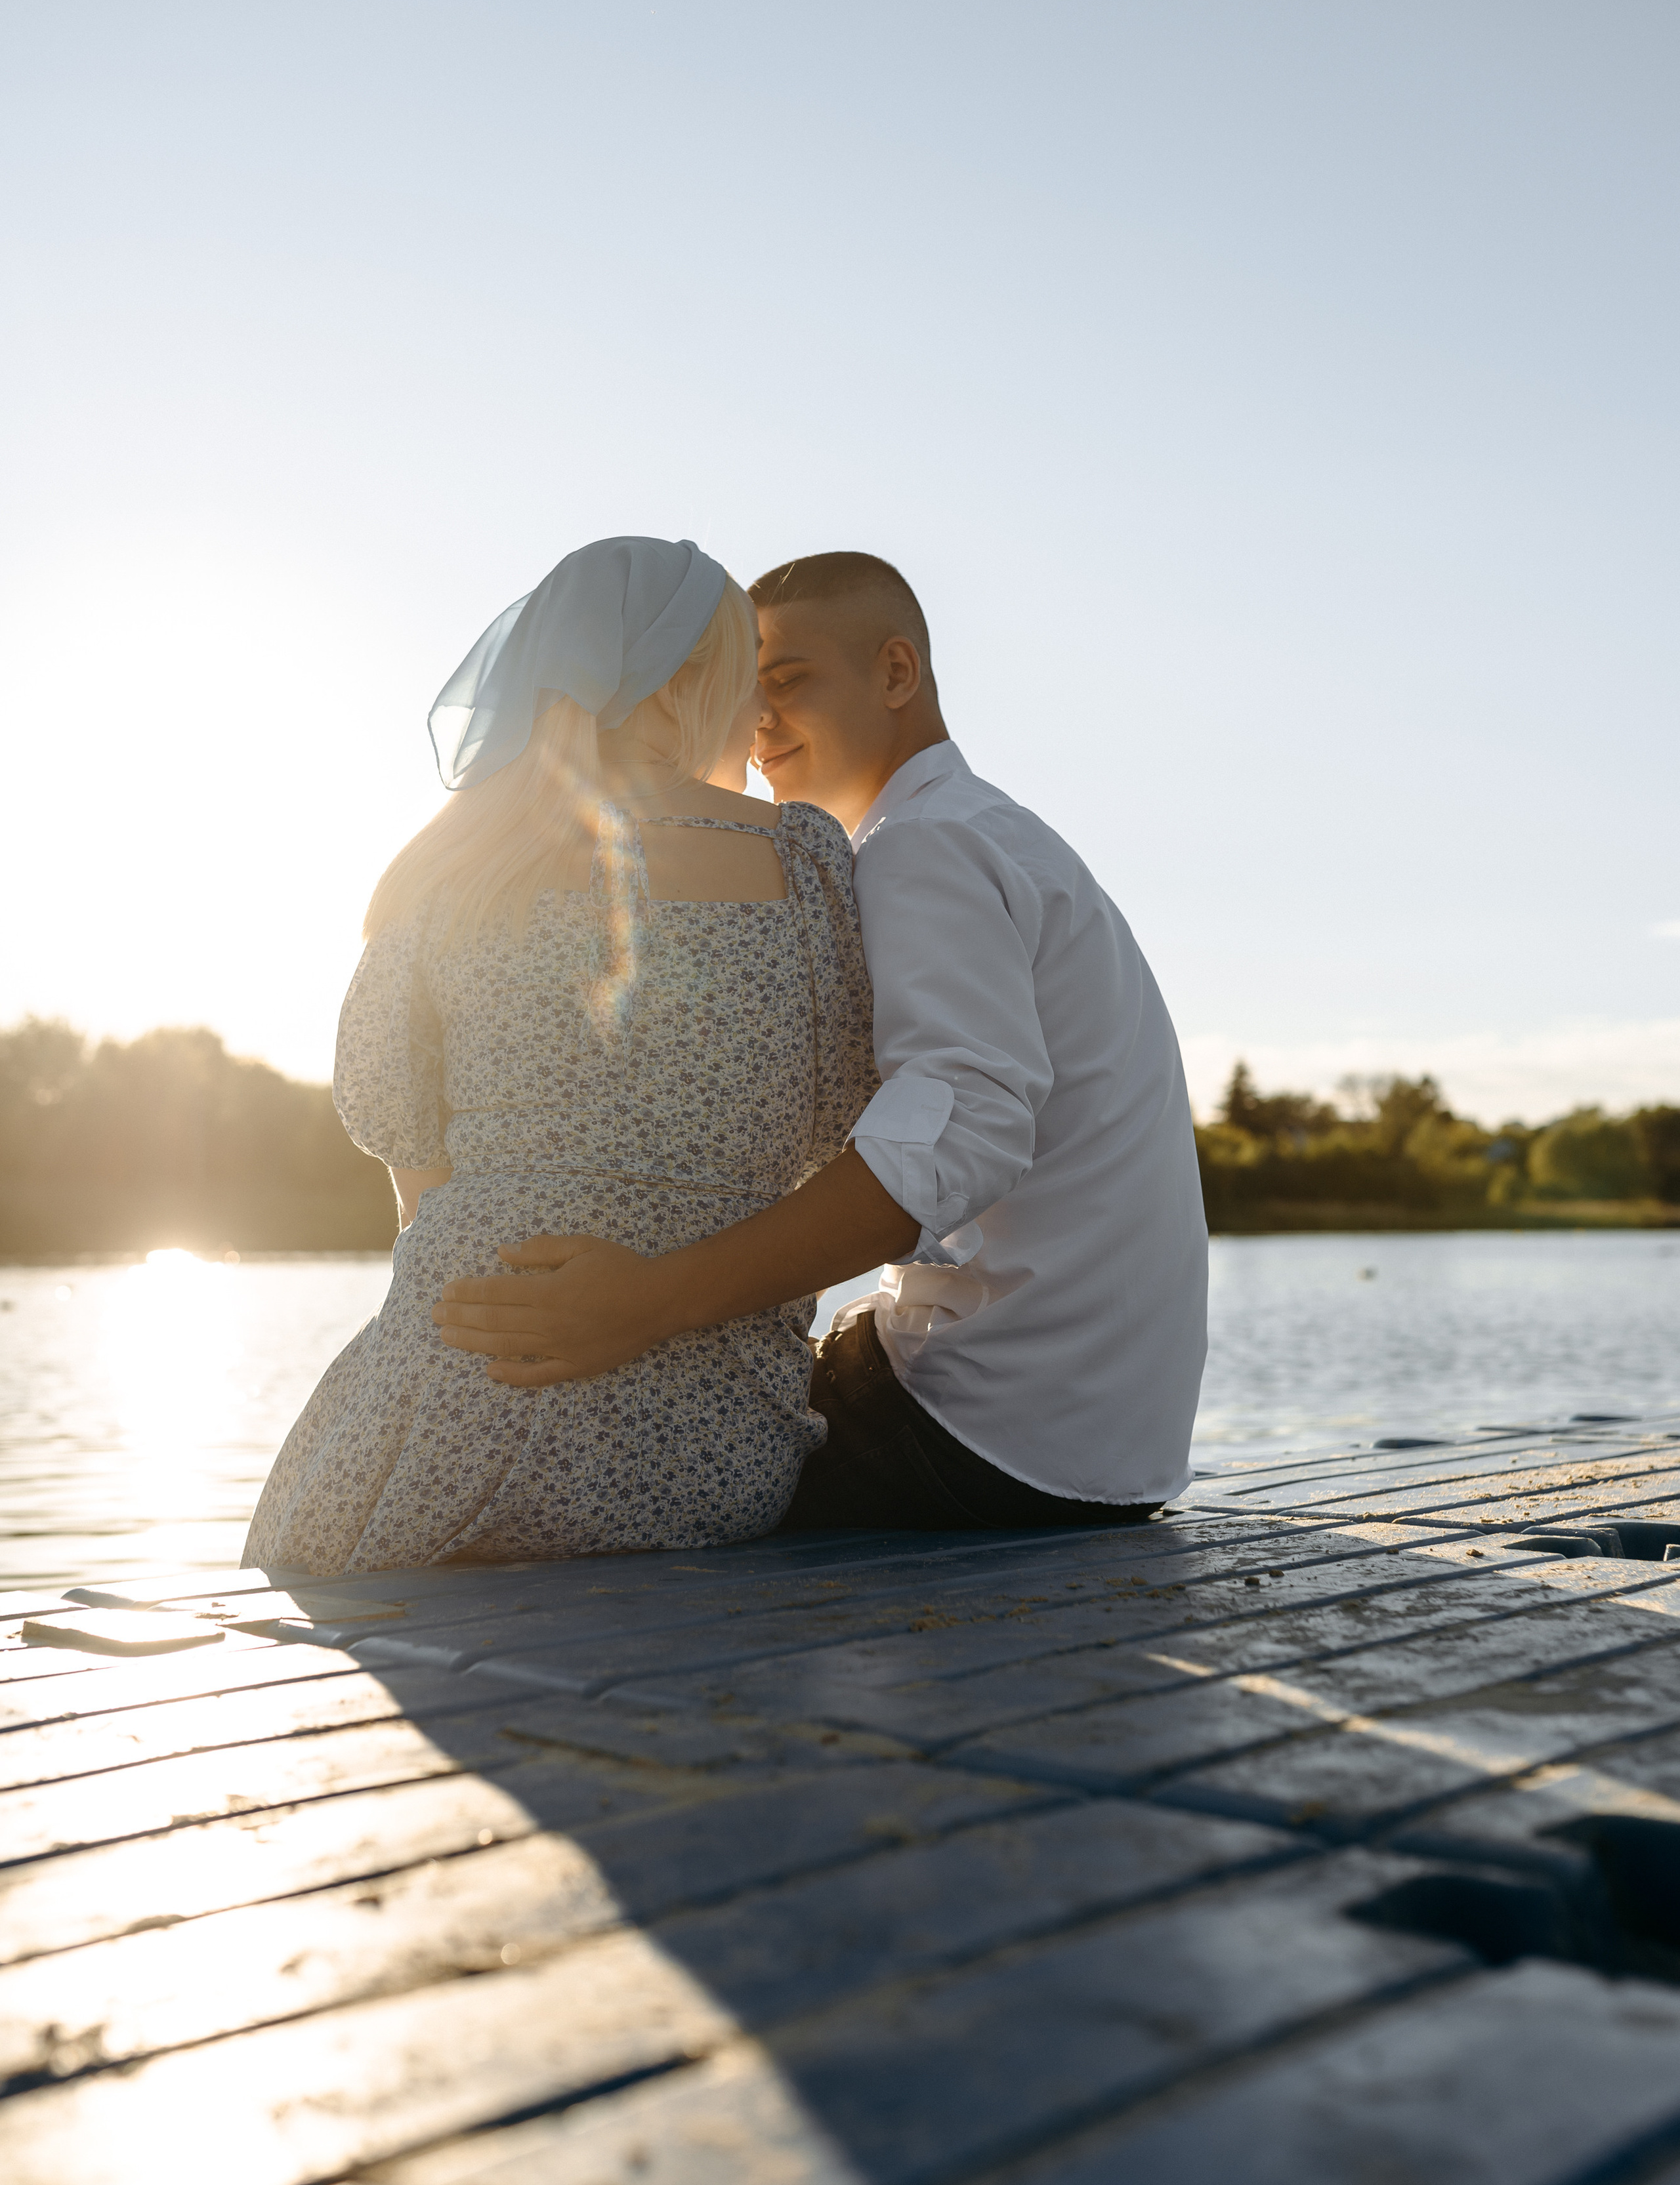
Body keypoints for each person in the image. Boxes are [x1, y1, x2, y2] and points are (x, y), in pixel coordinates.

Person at [432, 550, 1209, 1527]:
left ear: (895, 674)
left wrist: (648, 1299)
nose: (756, 723)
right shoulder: (988, 831)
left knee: (590, 1442)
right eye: (744, 690)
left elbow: (962, 1130)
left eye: (790, 684)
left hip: (987, 1428)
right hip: (1096, 1430)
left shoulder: (917, 849)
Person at [242, 536, 873, 1577]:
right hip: (712, 1450)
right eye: (736, 678)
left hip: (460, 1406)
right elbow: (840, 1124)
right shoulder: (804, 862)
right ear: (678, 689)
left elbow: (418, 1183)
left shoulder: (452, 870)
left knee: (310, 1551)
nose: (752, 715)